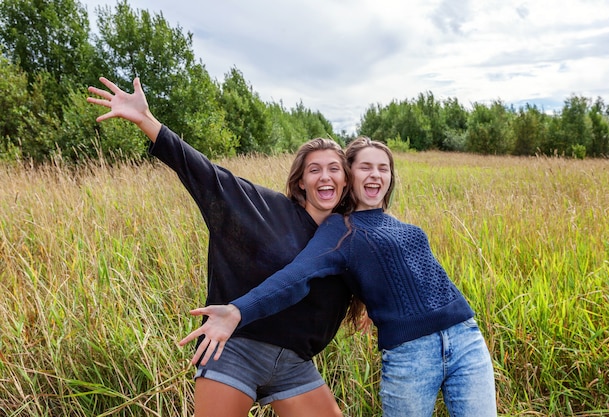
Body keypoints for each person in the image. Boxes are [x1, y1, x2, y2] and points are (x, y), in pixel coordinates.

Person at [87, 76, 359, 417]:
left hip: (295, 364)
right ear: (300, 181)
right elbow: (205, 174)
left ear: (346, 180)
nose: (325, 177)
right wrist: (146, 120)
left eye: (334, 169)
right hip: (235, 348)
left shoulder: (350, 237)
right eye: (314, 169)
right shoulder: (265, 207)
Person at [185, 136, 498, 417]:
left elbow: (386, 273)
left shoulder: (398, 226)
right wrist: (238, 310)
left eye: (384, 168)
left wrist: (368, 298)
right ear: (351, 177)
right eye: (365, 167)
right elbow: (295, 276)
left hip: (466, 336)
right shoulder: (340, 229)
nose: (376, 174)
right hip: (410, 354)